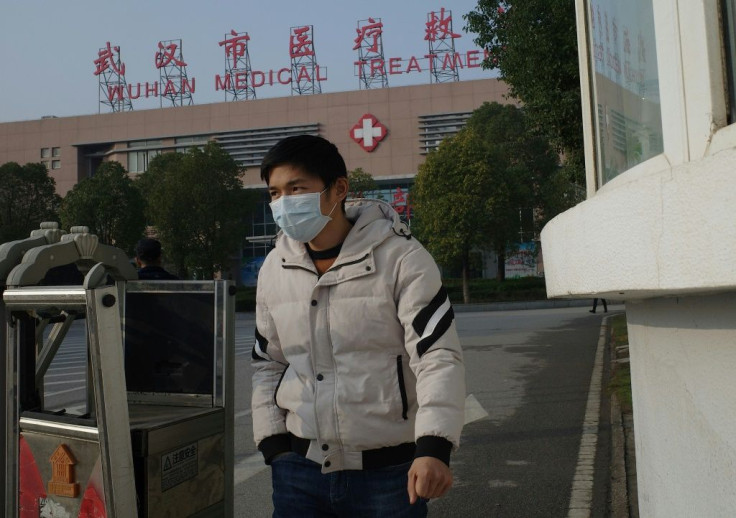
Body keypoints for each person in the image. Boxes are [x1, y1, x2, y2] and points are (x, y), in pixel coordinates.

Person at [251, 135, 466, 517]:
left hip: (389, 474)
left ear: (339, 188)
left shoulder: (402, 258)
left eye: (296, 188)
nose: (283, 203)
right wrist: (274, 446)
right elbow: (268, 362)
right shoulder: (274, 268)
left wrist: (434, 447)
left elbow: (437, 356)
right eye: (274, 193)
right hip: (299, 471)